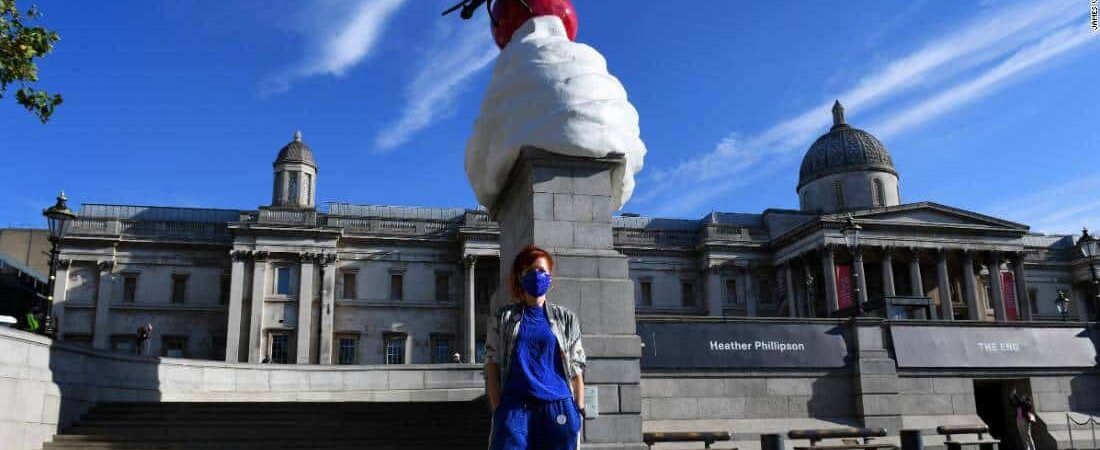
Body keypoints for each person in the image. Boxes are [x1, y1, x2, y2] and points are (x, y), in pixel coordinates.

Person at [485, 245, 586, 450]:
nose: (536, 275)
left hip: (558, 406)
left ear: (550, 278)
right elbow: (491, 363)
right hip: (516, 409)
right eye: (530, 271)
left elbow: (576, 368)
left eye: (542, 271)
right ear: (520, 277)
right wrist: (499, 408)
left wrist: (579, 409)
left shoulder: (566, 319)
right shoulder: (503, 318)